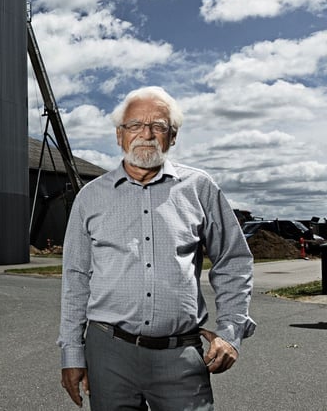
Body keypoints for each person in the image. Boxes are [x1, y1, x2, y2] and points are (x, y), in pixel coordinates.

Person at [58, 86, 256, 410]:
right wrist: (71, 352)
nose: (146, 134)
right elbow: (76, 278)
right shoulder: (90, 197)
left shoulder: (200, 188)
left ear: (173, 136)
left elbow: (233, 260)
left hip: (180, 357)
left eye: (158, 126)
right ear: (119, 135)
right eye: (135, 125)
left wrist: (231, 331)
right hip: (109, 354)